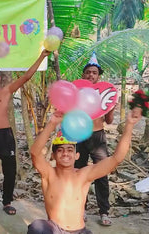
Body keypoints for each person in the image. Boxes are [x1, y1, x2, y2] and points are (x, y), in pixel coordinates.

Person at [28, 108, 141, 233]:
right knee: (37, 227)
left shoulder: (84, 175)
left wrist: (129, 125)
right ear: (53, 156)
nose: (65, 153)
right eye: (60, 150)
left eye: (70, 150)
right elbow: (35, 153)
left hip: (79, 231)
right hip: (55, 230)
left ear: (77, 155)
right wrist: (52, 123)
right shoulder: (49, 174)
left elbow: (116, 158)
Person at [0, 49, 50, 215]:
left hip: (5, 136)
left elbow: (26, 76)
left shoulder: (6, 91)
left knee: (10, 172)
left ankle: (7, 202)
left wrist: (41, 55)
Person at [74, 52, 115, 226]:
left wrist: (111, 105)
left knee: (101, 175)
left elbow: (109, 121)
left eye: (94, 73)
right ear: (83, 75)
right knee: (78, 174)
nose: (91, 75)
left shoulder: (104, 94)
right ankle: (78, 210)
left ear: (98, 76)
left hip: (98, 137)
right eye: (88, 72)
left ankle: (104, 212)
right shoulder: (77, 92)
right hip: (80, 136)